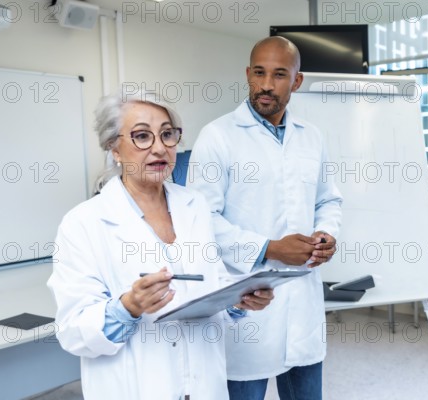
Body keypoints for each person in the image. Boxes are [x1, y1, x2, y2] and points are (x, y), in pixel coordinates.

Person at [47, 89, 274, 400]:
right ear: (114, 147)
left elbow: (211, 287)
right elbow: (73, 332)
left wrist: (237, 301)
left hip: (204, 385)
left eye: (167, 135)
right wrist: (129, 307)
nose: (159, 148)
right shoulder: (83, 223)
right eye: (142, 136)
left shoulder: (193, 204)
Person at [188, 36, 343, 400]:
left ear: (297, 81)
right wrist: (270, 248)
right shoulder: (217, 137)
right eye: (259, 73)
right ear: (248, 74)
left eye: (279, 75)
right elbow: (200, 219)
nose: (266, 85)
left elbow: (329, 200)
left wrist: (325, 235)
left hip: (302, 301)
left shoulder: (312, 138)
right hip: (247, 302)